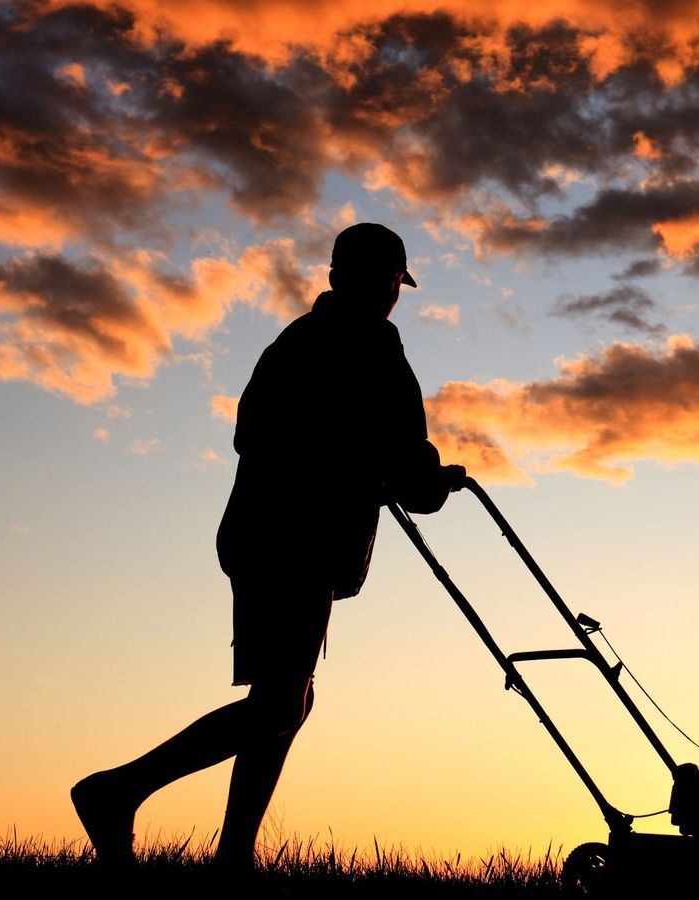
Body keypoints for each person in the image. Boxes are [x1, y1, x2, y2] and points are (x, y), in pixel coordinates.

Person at [71, 223, 466, 872]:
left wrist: (407, 474)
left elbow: (357, 447)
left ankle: (233, 855)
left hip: (278, 539)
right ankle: (117, 791)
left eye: (392, 284)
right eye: (386, 282)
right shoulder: (351, 345)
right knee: (283, 700)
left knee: (287, 697)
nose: (389, 294)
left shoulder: (312, 342)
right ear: (350, 280)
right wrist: (407, 475)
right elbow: (350, 445)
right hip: (291, 542)